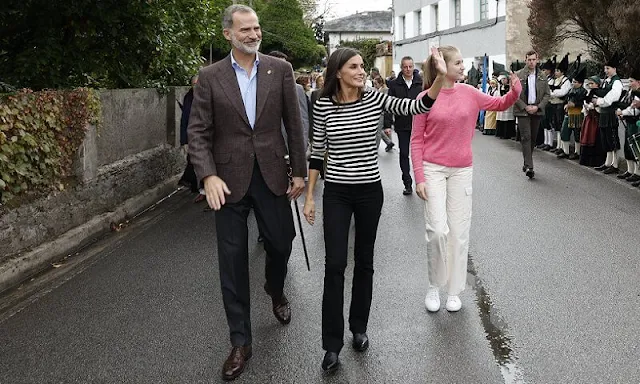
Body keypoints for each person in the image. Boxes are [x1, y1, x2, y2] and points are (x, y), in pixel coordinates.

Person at [303, 47, 445, 372]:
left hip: (369, 192)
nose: (361, 71)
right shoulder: (323, 104)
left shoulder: (376, 98)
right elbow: (317, 153)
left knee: (364, 262)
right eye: (354, 67)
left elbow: (418, 105)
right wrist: (310, 196)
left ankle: (358, 328)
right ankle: (331, 345)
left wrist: (438, 77)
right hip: (337, 192)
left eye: (362, 66)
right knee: (335, 265)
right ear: (338, 71)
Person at [187, 5, 306, 381]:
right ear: (228, 34)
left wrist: (300, 172)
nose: (254, 34)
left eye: (256, 28)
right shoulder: (209, 77)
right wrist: (206, 176)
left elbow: (294, 123)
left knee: (281, 243)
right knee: (233, 261)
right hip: (228, 180)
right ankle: (240, 341)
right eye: (246, 29)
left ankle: (275, 286)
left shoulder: (280, 70)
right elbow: (198, 132)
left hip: (272, 174)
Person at [410, 45, 521, 313]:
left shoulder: (470, 92)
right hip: (433, 169)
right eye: (458, 63)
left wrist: (515, 89)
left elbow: (499, 103)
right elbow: (415, 140)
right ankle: (434, 286)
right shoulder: (426, 97)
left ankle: (454, 290)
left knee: (458, 233)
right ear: (442, 66)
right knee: (437, 231)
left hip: (461, 170)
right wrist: (419, 177)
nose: (463, 67)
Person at [385, 56, 424, 195]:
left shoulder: (421, 83)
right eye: (405, 67)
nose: (408, 69)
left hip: (420, 126)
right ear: (401, 68)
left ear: (413, 67)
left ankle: (423, 181)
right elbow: (388, 105)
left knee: (421, 154)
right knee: (404, 154)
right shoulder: (394, 85)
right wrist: (387, 124)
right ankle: (407, 183)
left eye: (410, 67)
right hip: (402, 125)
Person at [514, 50, 551, 178]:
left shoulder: (542, 76)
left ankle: (526, 161)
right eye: (529, 59)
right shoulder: (518, 75)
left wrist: (538, 107)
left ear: (537, 60)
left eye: (533, 59)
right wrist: (525, 107)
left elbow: (547, 94)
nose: (531, 62)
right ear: (525, 60)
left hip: (536, 110)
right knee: (526, 137)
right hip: (523, 111)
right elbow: (514, 95)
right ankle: (530, 166)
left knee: (533, 138)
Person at [593, 53, 624, 174]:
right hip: (604, 113)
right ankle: (607, 162)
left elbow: (612, 97)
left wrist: (599, 101)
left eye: (608, 68)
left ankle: (615, 164)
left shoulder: (616, 82)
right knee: (605, 139)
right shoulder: (606, 81)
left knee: (612, 139)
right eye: (605, 68)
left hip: (610, 113)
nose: (606, 71)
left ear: (614, 69)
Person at [178, 74, 205, 201]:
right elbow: (184, 120)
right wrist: (184, 141)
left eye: (198, 84)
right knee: (194, 161)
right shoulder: (188, 97)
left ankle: (204, 190)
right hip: (193, 135)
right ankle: (198, 187)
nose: (196, 87)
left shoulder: (207, 97)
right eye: (194, 84)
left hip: (206, 135)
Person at [558, 66, 588, 160]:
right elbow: (567, 99)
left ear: (580, 83)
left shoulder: (584, 92)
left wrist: (574, 104)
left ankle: (577, 152)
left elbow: (583, 103)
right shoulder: (571, 90)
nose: (573, 83)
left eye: (575, 82)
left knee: (577, 134)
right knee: (564, 132)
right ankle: (565, 151)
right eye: (573, 81)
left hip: (578, 114)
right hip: (569, 113)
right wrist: (566, 105)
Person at [616, 69, 640, 181]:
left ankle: (637, 172)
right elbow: (624, 103)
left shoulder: (638, 94)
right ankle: (630, 170)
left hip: (635, 123)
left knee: (635, 148)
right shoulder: (630, 92)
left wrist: (623, 112)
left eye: (631, 81)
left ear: (638, 82)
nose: (629, 84)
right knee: (628, 147)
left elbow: (633, 109)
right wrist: (620, 110)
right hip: (629, 122)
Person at [579, 76, 607, 167]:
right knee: (586, 136)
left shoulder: (600, 93)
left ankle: (596, 160)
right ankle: (586, 160)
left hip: (596, 118)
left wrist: (593, 106)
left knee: (594, 137)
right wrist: (586, 107)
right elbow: (585, 103)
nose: (590, 85)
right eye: (589, 83)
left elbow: (600, 105)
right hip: (589, 118)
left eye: (592, 83)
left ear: (597, 84)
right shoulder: (588, 93)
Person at [548, 54, 572, 155]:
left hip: (560, 104)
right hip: (553, 103)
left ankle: (562, 146)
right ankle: (558, 145)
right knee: (556, 125)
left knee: (561, 124)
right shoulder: (555, 80)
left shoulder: (566, 81)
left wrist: (552, 93)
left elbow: (563, 92)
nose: (556, 72)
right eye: (556, 70)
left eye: (558, 71)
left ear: (562, 72)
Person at [373, 76, 395, 151]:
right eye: (374, 84)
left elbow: (385, 101)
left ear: (380, 83)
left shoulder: (386, 90)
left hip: (383, 113)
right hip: (376, 113)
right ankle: (389, 142)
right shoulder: (376, 90)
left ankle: (377, 147)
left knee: (378, 132)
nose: (375, 85)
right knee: (377, 130)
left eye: (376, 84)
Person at [496, 72, 516, 139]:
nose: (503, 81)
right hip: (502, 104)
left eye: (504, 79)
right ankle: (501, 133)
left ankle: (508, 134)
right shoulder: (500, 87)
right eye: (502, 79)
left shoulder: (509, 86)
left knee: (508, 119)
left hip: (508, 105)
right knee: (502, 119)